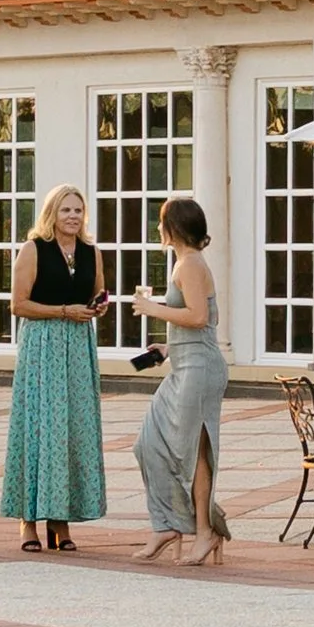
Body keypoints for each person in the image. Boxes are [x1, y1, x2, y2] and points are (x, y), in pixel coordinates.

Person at [3, 183, 110, 554]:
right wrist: (63, 311)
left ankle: (61, 520)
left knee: (70, 431)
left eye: (78, 210)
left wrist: (97, 307)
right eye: (65, 210)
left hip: (78, 349)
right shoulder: (34, 249)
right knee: (40, 428)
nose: (73, 216)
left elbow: (98, 293)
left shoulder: (91, 252)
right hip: (43, 346)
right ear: (52, 213)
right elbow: (18, 305)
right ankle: (28, 521)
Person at [131, 196, 230, 567]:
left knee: (195, 454)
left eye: (161, 223)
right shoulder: (186, 263)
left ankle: (203, 532)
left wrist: (153, 309)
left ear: (172, 228)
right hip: (186, 363)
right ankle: (169, 524)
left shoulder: (189, 263)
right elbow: (194, 322)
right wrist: (168, 346)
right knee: (149, 443)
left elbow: (200, 317)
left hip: (200, 371)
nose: (158, 230)